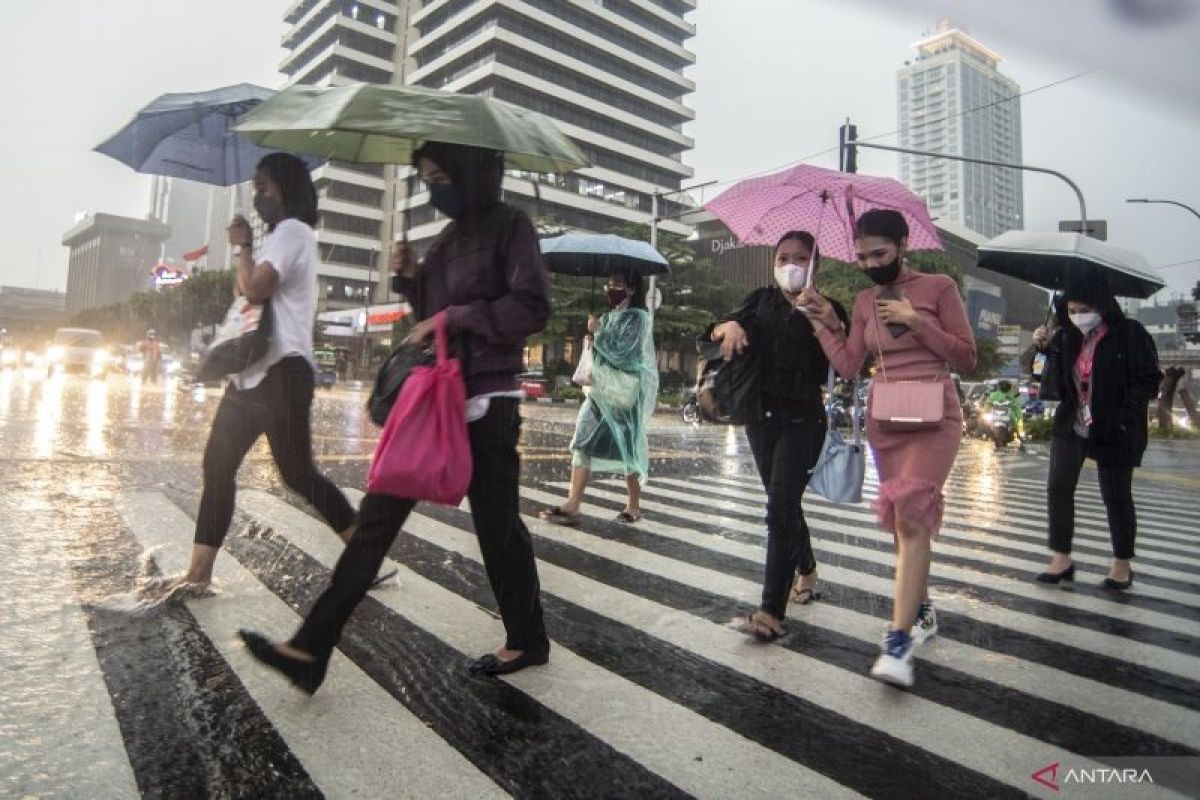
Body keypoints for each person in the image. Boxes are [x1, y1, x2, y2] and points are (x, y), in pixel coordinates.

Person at [240, 141, 552, 693]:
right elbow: (428, 319)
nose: (435, 189)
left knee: (498, 528)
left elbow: (531, 307)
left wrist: (453, 315)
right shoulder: (447, 238)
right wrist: (411, 282)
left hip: (488, 403)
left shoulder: (512, 226)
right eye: (427, 179)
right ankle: (310, 648)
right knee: (376, 519)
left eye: (441, 176)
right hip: (435, 399)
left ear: (469, 173)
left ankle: (527, 637)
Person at [145, 153, 358, 597]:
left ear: (287, 188)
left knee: (297, 474)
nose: (259, 197)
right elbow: (244, 292)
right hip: (252, 373)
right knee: (220, 465)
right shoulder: (279, 239)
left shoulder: (294, 232)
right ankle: (198, 573)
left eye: (265, 188)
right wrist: (245, 253)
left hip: (281, 371)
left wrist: (242, 246)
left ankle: (364, 557)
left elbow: (256, 287)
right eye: (256, 190)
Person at [800, 209, 976, 688]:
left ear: (902, 245)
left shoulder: (938, 287)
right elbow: (852, 363)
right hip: (887, 416)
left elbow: (966, 355)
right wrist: (822, 324)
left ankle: (898, 643)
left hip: (935, 413)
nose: (869, 263)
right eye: (861, 256)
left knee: (912, 518)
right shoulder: (862, 300)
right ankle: (920, 611)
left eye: (878, 253)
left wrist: (915, 321)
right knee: (902, 528)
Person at [707, 231, 848, 641]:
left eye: (800, 258)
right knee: (780, 501)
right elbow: (713, 332)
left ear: (816, 265)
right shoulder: (760, 301)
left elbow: (849, 364)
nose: (791, 264)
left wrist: (833, 325)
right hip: (759, 418)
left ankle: (771, 610)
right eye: (783, 257)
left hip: (804, 421)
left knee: (781, 504)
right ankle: (806, 566)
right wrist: (728, 326)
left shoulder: (828, 308)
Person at [1032, 280, 1161, 590]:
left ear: (1102, 307)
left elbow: (1149, 380)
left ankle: (1122, 564)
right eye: (1072, 311)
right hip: (1072, 424)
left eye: (1085, 310)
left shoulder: (1131, 334)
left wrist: (1124, 412)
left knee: (1115, 496)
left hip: (1114, 428)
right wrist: (1043, 350)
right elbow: (1045, 382)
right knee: (1058, 488)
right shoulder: (1065, 337)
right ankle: (1061, 558)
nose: (1078, 316)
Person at [539, 269, 658, 525]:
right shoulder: (607, 316)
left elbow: (625, 354)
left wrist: (599, 332)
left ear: (632, 289)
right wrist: (592, 337)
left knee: (627, 448)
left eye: (617, 283)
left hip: (622, 395)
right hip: (598, 392)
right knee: (581, 441)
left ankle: (633, 505)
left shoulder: (638, 318)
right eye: (609, 282)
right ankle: (573, 503)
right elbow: (604, 353)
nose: (610, 288)